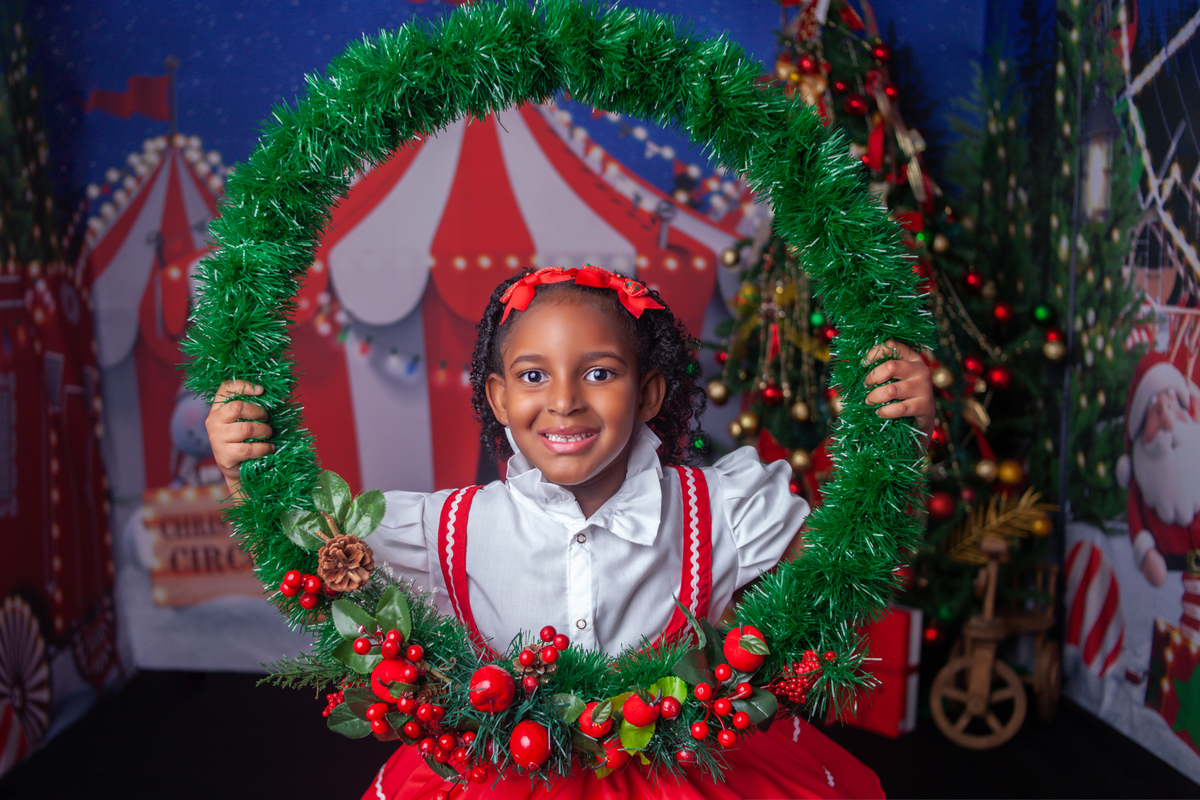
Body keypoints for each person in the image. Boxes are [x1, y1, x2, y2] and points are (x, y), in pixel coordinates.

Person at [206, 265, 935, 799]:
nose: (563, 401)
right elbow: (309, 556)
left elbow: (849, 566)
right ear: (497, 398)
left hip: (691, 776)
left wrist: (903, 439)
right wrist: (247, 474)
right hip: (503, 774)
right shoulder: (445, 528)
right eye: (533, 376)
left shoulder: (721, 508)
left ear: (648, 393)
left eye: (600, 373)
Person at [1116, 350, 1200, 645]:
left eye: (1171, 405)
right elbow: (1137, 525)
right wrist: (1146, 553)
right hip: (1170, 565)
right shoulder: (1143, 477)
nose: (1168, 422)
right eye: (1156, 412)